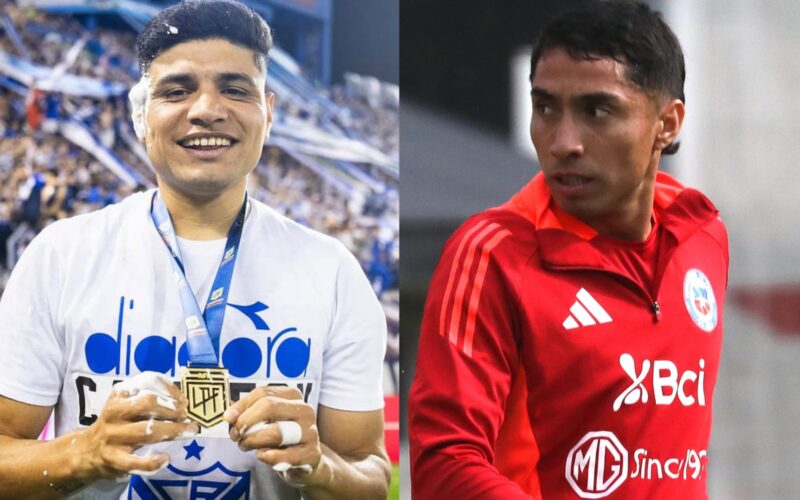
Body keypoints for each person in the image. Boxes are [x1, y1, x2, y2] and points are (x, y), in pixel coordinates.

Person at [0, 1, 391, 498]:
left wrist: (319, 465)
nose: (207, 109)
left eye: (234, 89)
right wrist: (84, 451)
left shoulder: (333, 272)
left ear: (267, 114)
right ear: (141, 116)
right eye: (177, 90)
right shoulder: (60, 256)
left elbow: (372, 477)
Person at [409, 1, 728, 498]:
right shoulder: (491, 254)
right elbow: (445, 466)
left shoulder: (703, 238)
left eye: (596, 110)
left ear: (667, 124)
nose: (563, 142)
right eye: (545, 107)